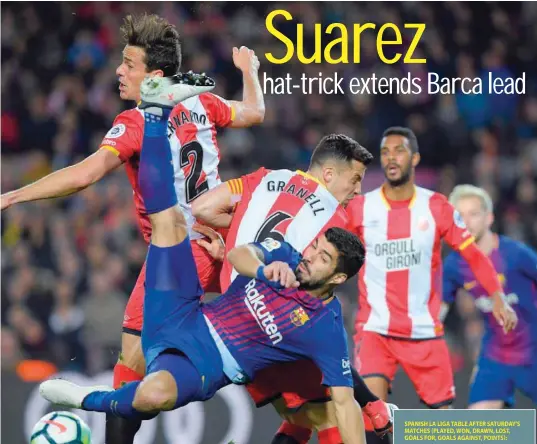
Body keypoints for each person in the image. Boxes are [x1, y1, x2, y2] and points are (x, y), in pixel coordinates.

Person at [40, 95, 368, 444]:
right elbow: (242, 255)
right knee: (169, 222)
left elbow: (347, 403)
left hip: (212, 361)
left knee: (154, 396)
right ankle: (154, 117)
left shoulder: (326, 326)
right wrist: (261, 269)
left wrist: (372, 408)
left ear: (337, 278)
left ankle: (85, 399)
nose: (310, 255)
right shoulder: (285, 255)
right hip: (187, 314)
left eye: (320, 257)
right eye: (314, 247)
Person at [0, 13, 265, 444]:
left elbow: (85, 174)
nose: (119, 71)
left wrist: (12, 196)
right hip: (227, 240)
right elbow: (254, 112)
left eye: (129, 63)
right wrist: (250, 72)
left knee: (130, 365)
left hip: (179, 253)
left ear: (155, 76)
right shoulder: (202, 104)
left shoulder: (136, 123)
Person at [192, 135, 397, 444]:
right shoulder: (332, 219)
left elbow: (203, 208)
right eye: (354, 180)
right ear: (329, 175)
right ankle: (372, 404)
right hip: (272, 325)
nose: (357, 190)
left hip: (233, 313)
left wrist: (234, 242)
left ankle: (370, 403)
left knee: (301, 417)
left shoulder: (265, 179)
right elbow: (314, 303)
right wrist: (369, 400)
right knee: (333, 414)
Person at [346, 127, 518, 444]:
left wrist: (497, 296)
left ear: (415, 158)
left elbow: (474, 256)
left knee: (439, 428)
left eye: (398, 151)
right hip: (374, 329)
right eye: (385, 152)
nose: (391, 158)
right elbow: (330, 246)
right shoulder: (360, 208)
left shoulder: (437, 208)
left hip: (423, 330)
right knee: (371, 416)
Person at [443, 184, 537, 408]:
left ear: (489, 218)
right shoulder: (454, 264)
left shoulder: (515, 254)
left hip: (532, 350)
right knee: (478, 426)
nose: (466, 222)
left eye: (473, 214)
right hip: (495, 357)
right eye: (459, 216)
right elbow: (438, 310)